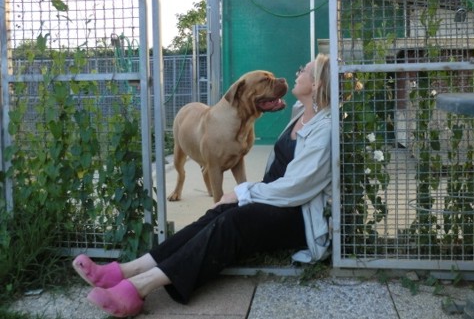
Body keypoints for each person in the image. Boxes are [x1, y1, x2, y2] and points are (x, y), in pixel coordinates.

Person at [72, 53, 332, 317]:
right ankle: (129, 269)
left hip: (297, 215)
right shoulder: (301, 112)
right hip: (276, 200)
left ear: (317, 84)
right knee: (217, 213)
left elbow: (296, 188)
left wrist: (243, 191)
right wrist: (244, 194)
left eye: (304, 70)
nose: (296, 73)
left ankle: (140, 287)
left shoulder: (324, 129)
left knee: (232, 222)